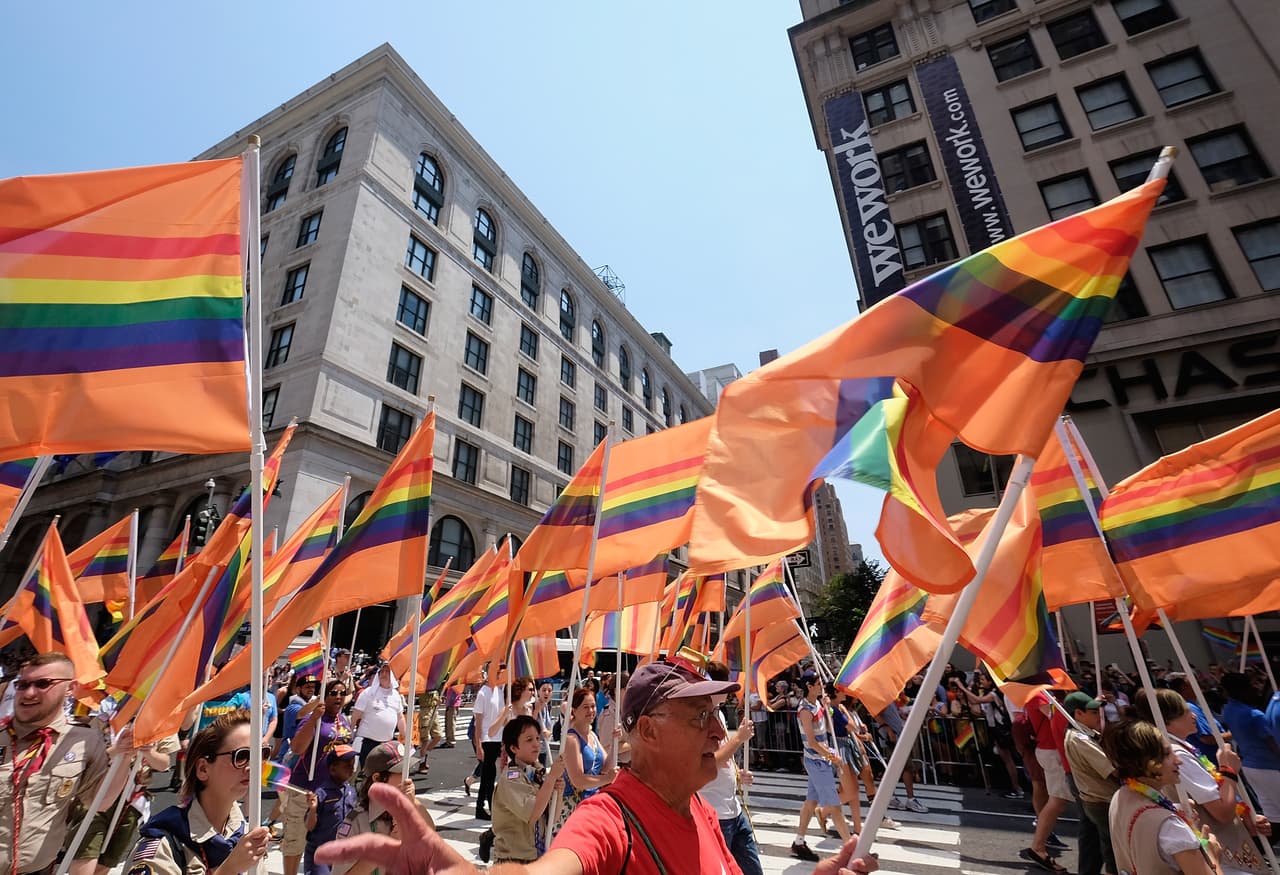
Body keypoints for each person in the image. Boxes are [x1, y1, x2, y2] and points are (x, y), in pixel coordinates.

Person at [316, 647, 880, 874]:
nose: (718, 731)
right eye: (699, 717)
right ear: (650, 732)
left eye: (717, 715)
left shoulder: (701, 812)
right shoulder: (609, 821)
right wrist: (457, 870)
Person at [2, 653, 134, 875]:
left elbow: (99, 801)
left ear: (70, 688)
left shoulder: (85, 741)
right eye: (22, 685)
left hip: (37, 870)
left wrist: (124, 756)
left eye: (43, 684)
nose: (29, 692)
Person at [1135, 689, 1270, 875]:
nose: (1193, 715)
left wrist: (1244, 816)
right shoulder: (1179, 755)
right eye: (1185, 712)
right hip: (1222, 853)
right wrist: (1229, 770)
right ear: (1167, 720)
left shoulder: (1181, 748)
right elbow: (1221, 812)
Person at [124, 709, 271, 875]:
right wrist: (228, 870)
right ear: (203, 769)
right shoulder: (164, 846)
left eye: (261, 754)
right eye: (241, 756)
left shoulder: (246, 834)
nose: (253, 767)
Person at [1103, 718, 1221, 875]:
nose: (1178, 760)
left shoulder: (1121, 797)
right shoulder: (1171, 827)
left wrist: (1176, 812)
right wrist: (1212, 856)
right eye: (1166, 754)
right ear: (1147, 763)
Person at [69, 733, 179, 875]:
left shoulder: (162, 725)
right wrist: (118, 749)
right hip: (99, 792)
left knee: (108, 859)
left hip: (132, 802)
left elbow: (164, 764)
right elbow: (92, 753)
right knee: (86, 853)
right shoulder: (111, 716)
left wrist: (149, 753)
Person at [284, 680, 355, 875]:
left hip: (332, 792)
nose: (338, 697)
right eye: (333, 693)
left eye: (342, 693)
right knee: (296, 839)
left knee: (328, 839)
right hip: (305, 788)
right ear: (324, 696)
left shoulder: (345, 721)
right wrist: (315, 716)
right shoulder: (312, 719)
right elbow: (297, 748)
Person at [331, 741, 433, 875]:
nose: (407, 778)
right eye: (400, 772)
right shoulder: (357, 822)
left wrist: (413, 803)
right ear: (377, 778)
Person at [704, 661, 764, 875]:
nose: (729, 689)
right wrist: (739, 738)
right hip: (715, 812)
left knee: (752, 870)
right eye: (725, 684)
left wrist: (738, 773)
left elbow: (725, 754)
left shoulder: (718, 714)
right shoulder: (700, 720)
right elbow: (709, 762)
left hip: (734, 810)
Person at [492, 715, 565, 864]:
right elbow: (533, 814)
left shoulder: (537, 772)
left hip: (536, 857)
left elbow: (553, 817)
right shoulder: (511, 778)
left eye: (538, 739)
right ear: (513, 748)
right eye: (529, 740)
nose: (536, 745)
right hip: (514, 862)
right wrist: (550, 780)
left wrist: (558, 791)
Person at [793, 670, 849, 862]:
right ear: (809, 686)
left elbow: (824, 725)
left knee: (810, 803)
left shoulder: (817, 704)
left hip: (820, 760)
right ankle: (850, 848)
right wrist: (831, 755)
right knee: (834, 806)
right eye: (818, 683)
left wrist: (826, 708)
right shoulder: (805, 710)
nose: (821, 686)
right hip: (817, 761)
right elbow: (811, 741)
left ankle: (799, 841)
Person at [1060, 692, 1118, 875]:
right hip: (1101, 799)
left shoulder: (1085, 734)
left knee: (1097, 844)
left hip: (1098, 798)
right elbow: (1111, 769)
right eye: (1093, 711)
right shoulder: (1080, 739)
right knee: (1113, 850)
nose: (1097, 715)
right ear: (1078, 713)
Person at [552, 687, 614, 835]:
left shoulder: (592, 735)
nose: (591, 711)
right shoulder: (571, 739)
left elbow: (605, 766)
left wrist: (614, 743)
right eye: (585, 707)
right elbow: (578, 780)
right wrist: (606, 779)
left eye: (593, 706)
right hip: (572, 807)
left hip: (591, 804)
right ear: (574, 710)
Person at [1221, 672, 1280, 819]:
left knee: (1273, 815)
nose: (1255, 689)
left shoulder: (1228, 710)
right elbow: (1273, 745)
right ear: (1243, 690)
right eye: (1251, 686)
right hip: (1270, 768)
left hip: (1250, 769)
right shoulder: (1254, 715)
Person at [1022, 689, 1070, 868]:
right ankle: (1038, 845)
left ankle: (1039, 844)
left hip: (1054, 749)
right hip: (1051, 749)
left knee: (1059, 800)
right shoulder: (1037, 695)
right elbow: (1056, 716)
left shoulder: (1044, 694)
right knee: (1057, 800)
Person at [954, 673, 1022, 798]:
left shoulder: (994, 694)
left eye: (983, 680)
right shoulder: (987, 693)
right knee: (1004, 758)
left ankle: (1017, 787)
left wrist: (962, 687)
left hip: (1001, 729)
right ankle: (1012, 785)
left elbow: (976, 700)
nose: (981, 682)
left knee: (1008, 760)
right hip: (993, 729)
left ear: (991, 682)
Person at [305, 744, 358, 875]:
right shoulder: (321, 793)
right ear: (333, 769)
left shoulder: (351, 791)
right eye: (347, 766)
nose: (352, 769)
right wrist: (313, 809)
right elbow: (310, 826)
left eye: (353, 765)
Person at [474, 663, 508, 820]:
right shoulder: (483, 693)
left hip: (497, 738)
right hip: (487, 739)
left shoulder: (499, 692)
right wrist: (479, 745)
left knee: (488, 775)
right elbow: (478, 723)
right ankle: (486, 807)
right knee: (489, 775)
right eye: (496, 671)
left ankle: (482, 807)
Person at [351, 664, 407, 761]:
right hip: (366, 743)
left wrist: (407, 737)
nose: (384, 674)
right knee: (363, 774)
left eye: (387, 672)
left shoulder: (396, 695)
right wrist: (350, 735)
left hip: (386, 744)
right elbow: (355, 715)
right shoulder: (368, 692)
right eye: (381, 671)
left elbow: (400, 718)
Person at [535, 682, 555, 766]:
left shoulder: (547, 706)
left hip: (544, 747)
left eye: (549, 690)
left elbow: (548, 727)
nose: (546, 692)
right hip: (534, 749)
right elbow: (529, 724)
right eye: (544, 690)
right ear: (538, 692)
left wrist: (549, 733)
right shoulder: (533, 706)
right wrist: (536, 711)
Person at [442, 682, 461, 749]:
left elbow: (456, 696)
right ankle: (448, 740)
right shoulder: (451, 685)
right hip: (449, 705)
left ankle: (451, 741)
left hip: (452, 706)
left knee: (451, 724)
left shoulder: (456, 685)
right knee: (448, 724)